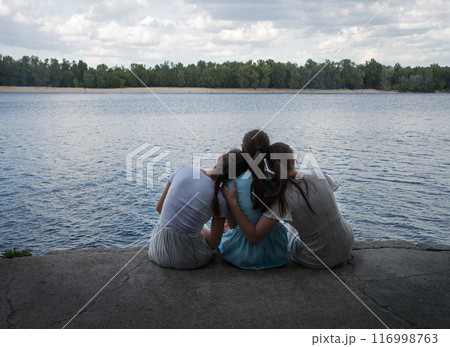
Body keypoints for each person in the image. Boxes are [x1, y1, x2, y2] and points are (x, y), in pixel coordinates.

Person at [222, 142, 354, 269]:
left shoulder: (281, 198)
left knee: (291, 228)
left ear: (271, 169)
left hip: (316, 258)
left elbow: (254, 237)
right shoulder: (319, 176)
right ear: (292, 160)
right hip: (348, 243)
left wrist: (233, 203)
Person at [148, 149, 248, 269]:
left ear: (219, 158)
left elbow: (160, 208)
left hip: (156, 249)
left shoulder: (183, 169)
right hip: (187, 259)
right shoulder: (220, 199)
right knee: (203, 230)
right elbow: (213, 244)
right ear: (234, 178)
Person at [218, 130, 289, 270]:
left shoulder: (231, 184)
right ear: (267, 151)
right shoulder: (277, 182)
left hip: (241, 254)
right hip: (275, 252)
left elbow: (232, 225)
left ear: (243, 149)